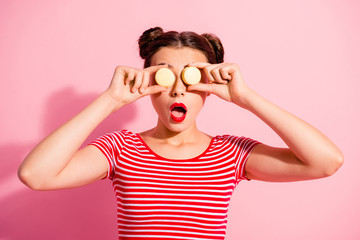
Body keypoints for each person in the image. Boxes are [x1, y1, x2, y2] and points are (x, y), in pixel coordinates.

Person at [18, 27, 344, 240]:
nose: (177, 90)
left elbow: (326, 162)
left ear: (209, 88)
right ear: (148, 83)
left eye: (190, 79)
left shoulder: (231, 154)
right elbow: (36, 175)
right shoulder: (120, 148)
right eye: (164, 76)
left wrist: (246, 98)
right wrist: (110, 99)